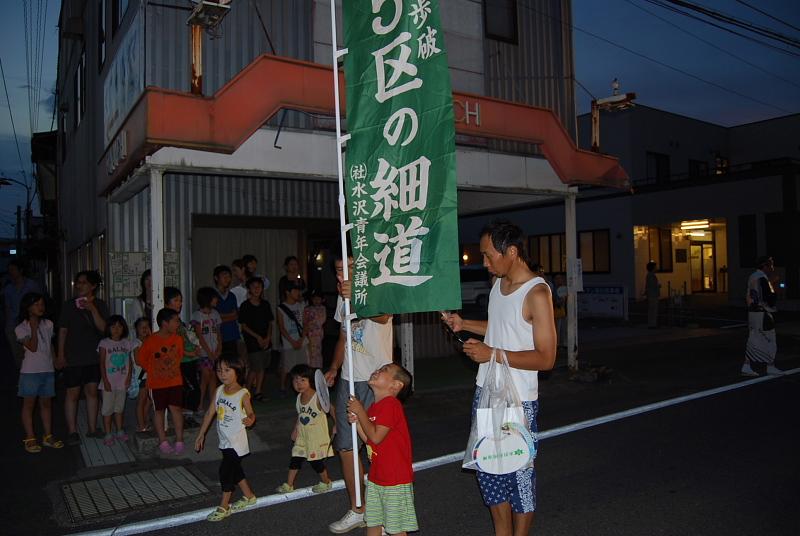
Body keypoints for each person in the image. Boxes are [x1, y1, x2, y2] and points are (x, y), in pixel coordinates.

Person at [442, 220, 556, 536]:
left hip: (519, 401)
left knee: (519, 474)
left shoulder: (537, 292)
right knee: (489, 470)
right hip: (486, 392)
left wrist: (493, 354)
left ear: (512, 251)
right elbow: (500, 327)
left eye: (489, 256)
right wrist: (464, 323)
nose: (485, 262)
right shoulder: (498, 284)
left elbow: (547, 358)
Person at [325, 256, 393, 534]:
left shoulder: (379, 285)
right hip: (348, 380)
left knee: (379, 446)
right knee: (345, 445)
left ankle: (388, 514)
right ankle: (358, 509)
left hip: (377, 380)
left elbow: (384, 315)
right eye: (339, 269)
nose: (344, 273)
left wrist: (356, 295)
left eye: (350, 268)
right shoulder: (343, 296)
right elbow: (344, 335)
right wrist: (333, 367)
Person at [347, 363, 416, 536]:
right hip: (377, 478)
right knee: (373, 522)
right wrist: (357, 421)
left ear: (396, 385)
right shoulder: (374, 408)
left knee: (396, 528)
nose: (377, 370)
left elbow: (376, 436)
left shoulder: (391, 405)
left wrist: (360, 412)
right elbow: (370, 440)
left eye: (384, 370)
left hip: (394, 480)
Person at [195, 355, 258, 522]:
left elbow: (251, 413)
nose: (222, 374)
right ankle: (249, 496)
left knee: (226, 472)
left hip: (236, 441)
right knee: (235, 471)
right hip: (224, 440)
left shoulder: (243, 393)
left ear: (237, 371)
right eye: (219, 370)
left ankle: (224, 506)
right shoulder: (219, 391)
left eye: (227, 370)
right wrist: (201, 434)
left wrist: (251, 419)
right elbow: (210, 413)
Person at [57, 270, 109, 446]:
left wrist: (92, 308)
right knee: (72, 393)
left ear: (93, 286)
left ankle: (92, 429)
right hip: (73, 357)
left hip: (93, 357)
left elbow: (104, 329)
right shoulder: (68, 305)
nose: (79, 286)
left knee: (92, 392)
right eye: (78, 282)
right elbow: (62, 330)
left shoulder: (100, 305)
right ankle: (72, 431)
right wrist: (60, 354)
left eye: (84, 282)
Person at [16, 291, 62, 453]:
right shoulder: (21, 328)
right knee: (29, 405)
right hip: (30, 372)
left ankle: (48, 435)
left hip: (47, 370)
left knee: (46, 404)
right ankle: (30, 437)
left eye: (41, 304)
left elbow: (49, 344)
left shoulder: (48, 324)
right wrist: (34, 328)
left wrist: (55, 359)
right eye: (36, 304)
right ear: (28, 308)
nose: (40, 307)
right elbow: (33, 347)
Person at [275, 364, 333, 494]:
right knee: (295, 458)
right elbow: (301, 415)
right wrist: (295, 429)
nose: (299, 384)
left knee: (316, 462)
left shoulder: (317, 397)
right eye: (295, 380)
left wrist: (336, 424)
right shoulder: (298, 398)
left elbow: (331, 407)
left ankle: (326, 481)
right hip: (303, 434)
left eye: (303, 380)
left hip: (316, 436)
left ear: (310, 381)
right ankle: (289, 484)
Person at [138, 307, 185, 454]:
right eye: (176, 321)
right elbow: (140, 359)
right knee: (159, 410)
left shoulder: (178, 339)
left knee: (176, 409)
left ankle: (179, 439)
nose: (178, 323)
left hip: (175, 381)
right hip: (156, 383)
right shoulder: (151, 340)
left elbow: (180, 356)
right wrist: (153, 370)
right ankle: (162, 440)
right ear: (165, 323)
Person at [97, 315, 135, 446]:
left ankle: (119, 431)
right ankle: (108, 433)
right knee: (107, 409)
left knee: (119, 408)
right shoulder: (104, 343)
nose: (116, 329)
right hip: (109, 382)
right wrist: (105, 380)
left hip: (122, 382)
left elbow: (129, 361)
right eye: (113, 327)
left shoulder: (126, 343)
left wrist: (129, 377)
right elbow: (102, 363)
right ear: (108, 328)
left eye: (119, 326)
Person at [165, 287, 201, 422]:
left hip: (189, 359)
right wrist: (189, 352)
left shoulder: (180, 322)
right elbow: (172, 346)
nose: (179, 303)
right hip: (181, 361)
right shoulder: (168, 322)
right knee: (188, 389)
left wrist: (195, 348)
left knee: (192, 387)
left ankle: (188, 414)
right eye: (176, 300)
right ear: (167, 303)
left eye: (180, 300)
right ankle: (184, 415)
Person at [742, 256, 781, 377]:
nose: (772, 268)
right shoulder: (763, 279)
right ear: (764, 266)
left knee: (753, 339)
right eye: (770, 265)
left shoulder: (753, 276)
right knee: (770, 340)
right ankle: (770, 365)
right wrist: (774, 285)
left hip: (752, 313)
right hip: (762, 313)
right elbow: (769, 298)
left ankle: (747, 365)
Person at [238, 277, 274, 401]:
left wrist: (268, 337)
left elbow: (270, 323)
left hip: (265, 339)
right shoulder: (245, 305)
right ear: (249, 289)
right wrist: (257, 337)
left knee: (260, 367)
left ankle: (255, 391)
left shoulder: (265, 304)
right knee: (256, 366)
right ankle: (249, 391)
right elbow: (243, 326)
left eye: (259, 286)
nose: (257, 289)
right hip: (252, 340)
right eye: (254, 287)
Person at [4, 259, 41, 370]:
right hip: (13, 324)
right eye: (9, 270)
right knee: (17, 353)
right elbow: (7, 307)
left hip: (29, 321)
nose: (11, 272)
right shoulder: (9, 288)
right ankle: (23, 374)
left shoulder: (31, 285)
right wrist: (8, 324)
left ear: (20, 270)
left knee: (32, 351)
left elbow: (39, 302)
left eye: (13, 269)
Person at [192, 287, 222, 414]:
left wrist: (219, 348)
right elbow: (199, 336)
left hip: (215, 351)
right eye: (214, 297)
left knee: (213, 377)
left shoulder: (215, 314)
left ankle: (213, 404)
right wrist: (209, 353)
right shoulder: (197, 315)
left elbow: (219, 333)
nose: (216, 300)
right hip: (204, 353)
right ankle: (199, 405)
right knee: (205, 377)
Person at [277, 281, 306, 396]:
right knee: (287, 366)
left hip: (301, 341)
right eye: (295, 290)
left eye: (298, 290)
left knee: (303, 366)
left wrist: (301, 339)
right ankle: (283, 387)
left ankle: (303, 387)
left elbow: (305, 323)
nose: (298, 293)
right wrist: (292, 341)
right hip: (289, 342)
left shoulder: (301, 305)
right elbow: (282, 327)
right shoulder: (281, 308)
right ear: (288, 292)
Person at [214, 265, 242, 359]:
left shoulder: (232, 296)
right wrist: (229, 316)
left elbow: (236, 315)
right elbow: (213, 317)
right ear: (216, 278)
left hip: (232, 335)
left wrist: (221, 317)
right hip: (217, 337)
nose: (227, 279)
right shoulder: (212, 295)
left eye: (229, 276)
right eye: (224, 276)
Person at [133, 317, 153, 432]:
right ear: (136, 329)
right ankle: (141, 425)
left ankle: (145, 421)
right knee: (142, 401)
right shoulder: (136, 343)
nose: (145, 329)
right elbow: (138, 360)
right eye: (142, 327)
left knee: (149, 400)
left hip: (149, 376)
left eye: (147, 326)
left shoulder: (149, 341)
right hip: (142, 377)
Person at [303, 289, 326, 369]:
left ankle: (317, 369)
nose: (316, 301)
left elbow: (321, 320)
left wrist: (311, 323)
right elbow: (304, 321)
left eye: (318, 299)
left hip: (317, 334)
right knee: (308, 352)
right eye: (314, 298)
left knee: (317, 352)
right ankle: (309, 368)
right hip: (308, 333)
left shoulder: (322, 309)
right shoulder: (307, 309)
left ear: (322, 299)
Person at [553, 274, 567, 349]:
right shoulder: (553, 289)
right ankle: (557, 344)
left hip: (564, 311)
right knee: (557, 329)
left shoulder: (564, 288)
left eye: (560, 278)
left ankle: (564, 343)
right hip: (556, 312)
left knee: (564, 329)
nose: (558, 280)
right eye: (557, 278)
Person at [645, 261, 660, 328]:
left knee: (652, 310)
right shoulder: (651, 276)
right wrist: (658, 285)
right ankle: (652, 324)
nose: (656, 268)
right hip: (652, 295)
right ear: (653, 268)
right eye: (655, 267)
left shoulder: (650, 275)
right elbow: (652, 285)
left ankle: (652, 324)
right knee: (653, 310)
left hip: (651, 295)